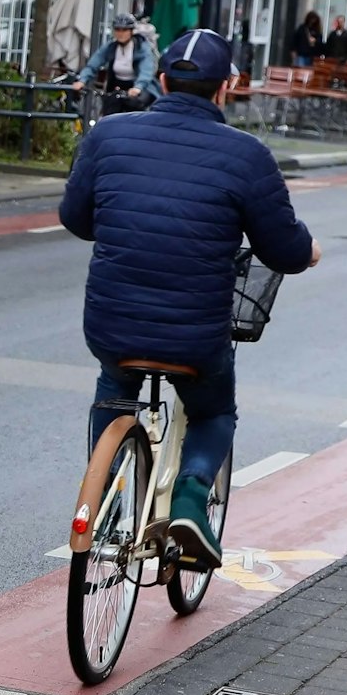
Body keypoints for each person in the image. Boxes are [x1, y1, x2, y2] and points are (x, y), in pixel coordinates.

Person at [61, 29, 320, 567]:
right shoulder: (246, 156)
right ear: (225, 89)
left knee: (114, 389)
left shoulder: (109, 136)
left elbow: (75, 218)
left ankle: (107, 501)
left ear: (160, 81)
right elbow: (285, 250)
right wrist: (310, 252)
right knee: (213, 410)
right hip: (196, 337)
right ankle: (191, 498)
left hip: (112, 323)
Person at [73, 14, 156, 113]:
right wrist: (82, 80)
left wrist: (138, 87)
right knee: (109, 108)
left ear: (131, 31)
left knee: (136, 104)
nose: (120, 33)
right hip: (116, 85)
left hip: (138, 86)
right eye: (117, 29)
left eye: (124, 30)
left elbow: (146, 70)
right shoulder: (110, 47)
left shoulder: (141, 48)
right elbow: (93, 64)